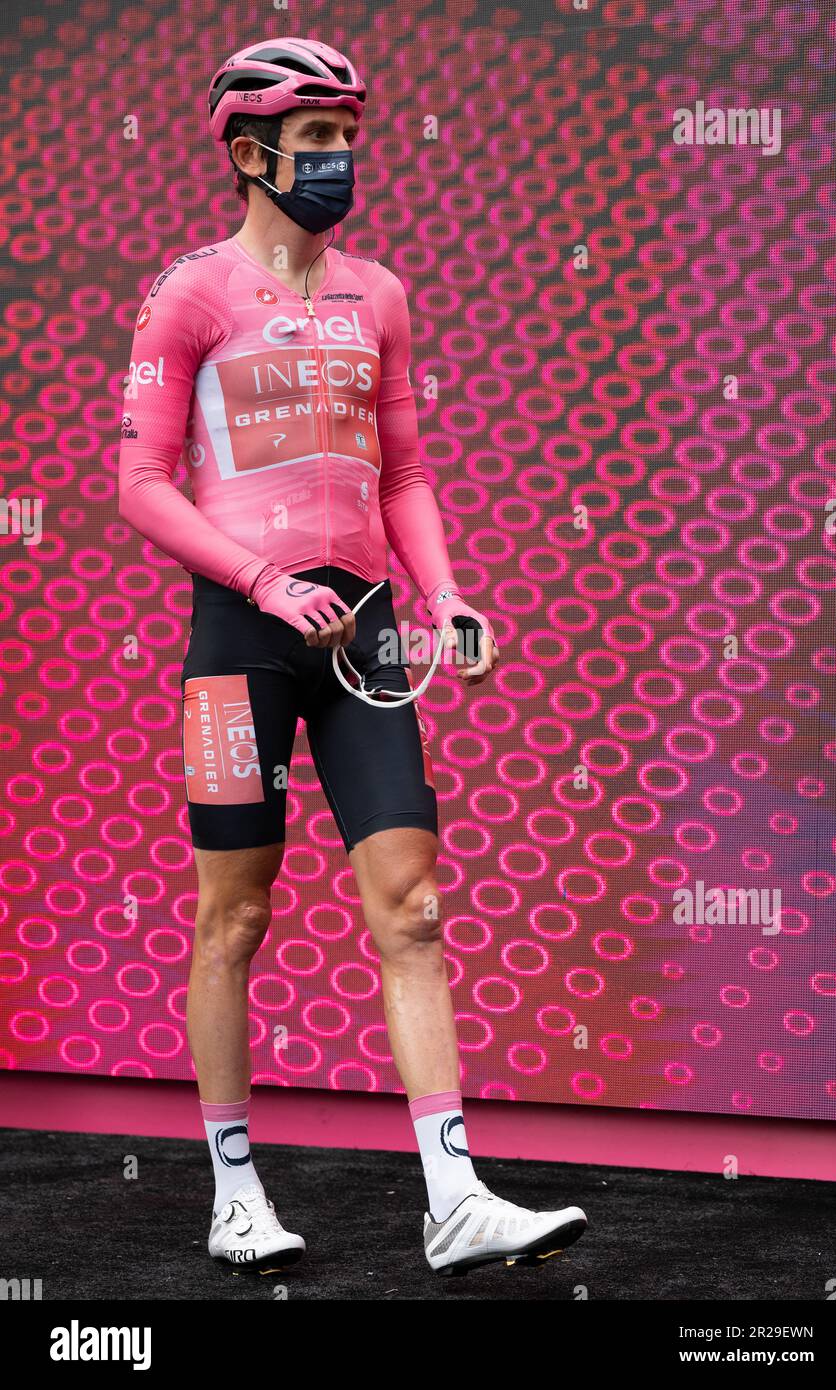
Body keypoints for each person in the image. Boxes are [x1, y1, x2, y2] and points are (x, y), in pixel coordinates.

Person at [118, 36, 587, 1278]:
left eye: (346, 140)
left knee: (417, 907)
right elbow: (140, 484)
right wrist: (263, 580)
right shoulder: (190, 294)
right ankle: (233, 1195)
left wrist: (445, 596)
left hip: (367, 626)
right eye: (315, 141)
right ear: (247, 151)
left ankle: (455, 1196)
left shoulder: (378, 293)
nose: (338, 162)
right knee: (236, 916)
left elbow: (409, 470)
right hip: (243, 638)